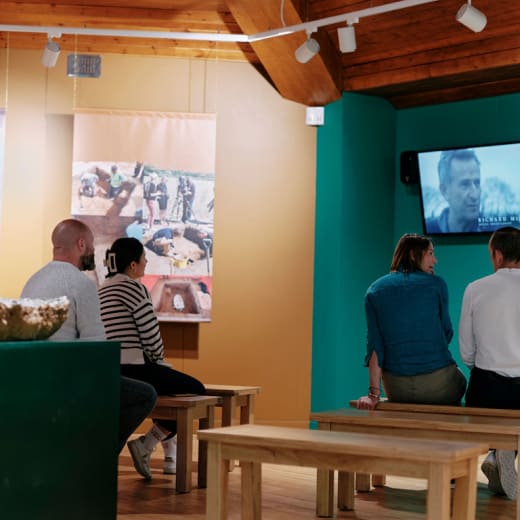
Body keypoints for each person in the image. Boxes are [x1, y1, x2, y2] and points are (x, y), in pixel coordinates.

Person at [21, 218, 157, 456]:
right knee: (144, 395)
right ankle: (98, 457)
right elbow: (97, 350)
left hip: (32, 379)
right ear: (81, 244)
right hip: (66, 381)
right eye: (93, 244)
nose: (95, 251)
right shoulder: (81, 284)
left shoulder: (33, 280)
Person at [98, 237, 206, 480]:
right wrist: (160, 361)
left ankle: (154, 448)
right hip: (135, 367)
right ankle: (146, 444)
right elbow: (151, 336)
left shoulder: (102, 289)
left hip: (110, 368)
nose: (147, 262)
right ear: (133, 265)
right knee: (195, 390)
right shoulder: (134, 288)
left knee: (166, 388)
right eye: (144, 258)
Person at [356, 233, 466, 410]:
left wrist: (373, 394)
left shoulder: (374, 290)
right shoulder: (436, 284)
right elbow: (446, 332)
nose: (435, 260)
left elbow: (375, 347)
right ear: (413, 255)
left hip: (396, 389)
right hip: (440, 387)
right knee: (461, 379)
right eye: (430, 253)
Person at [459, 226, 520, 499]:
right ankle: (502, 453)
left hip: (486, 391)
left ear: (496, 255)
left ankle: (497, 452)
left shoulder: (475, 289)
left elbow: (466, 352)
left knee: (485, 382)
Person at [426, 149, 481, 233]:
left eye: (477, 183)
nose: (475, 195)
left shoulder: (494, 230)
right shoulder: (428, 229)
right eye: (465, 185)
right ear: (445, 191)